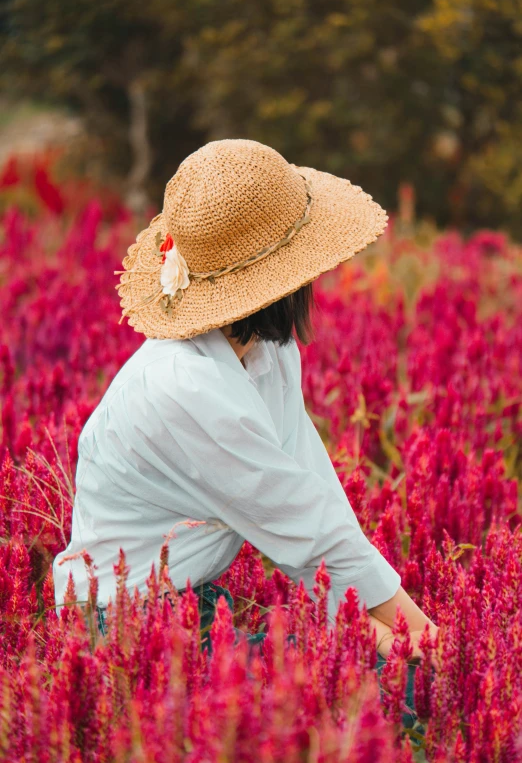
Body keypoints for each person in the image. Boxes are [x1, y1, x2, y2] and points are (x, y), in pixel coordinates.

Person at [53, 139, 437, 723]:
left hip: (194, 602)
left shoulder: (264, 349)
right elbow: (308, 541)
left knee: (401, 682)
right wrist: (420, 652)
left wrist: (424, 637)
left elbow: (317, 499)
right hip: (124, 629)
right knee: (385, 699)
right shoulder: (185, 390)